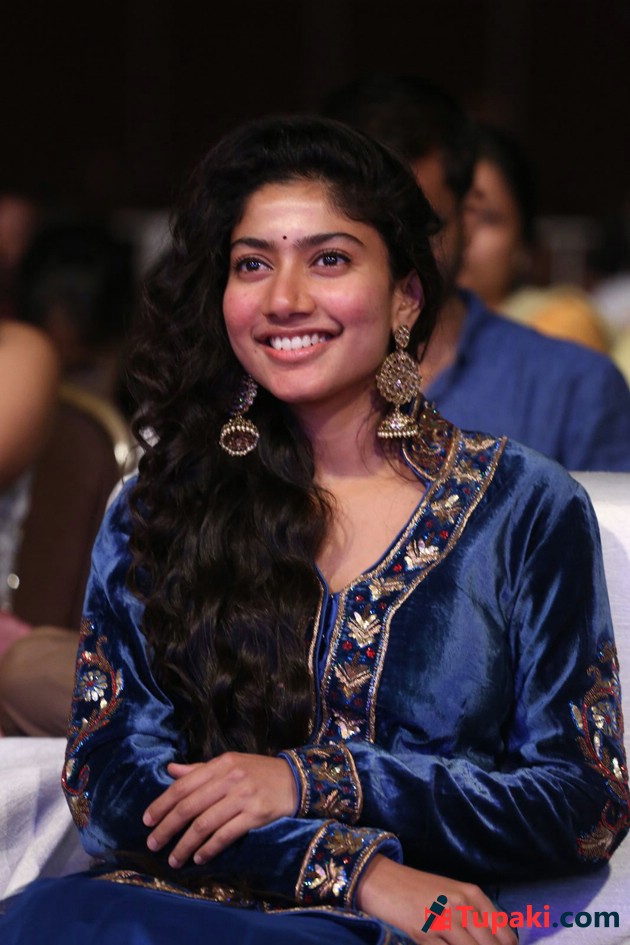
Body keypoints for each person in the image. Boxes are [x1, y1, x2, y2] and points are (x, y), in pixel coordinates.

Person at [1, 116, 627, 945]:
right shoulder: (163, 503)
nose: (284, 297)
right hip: (144, 910)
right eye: (252, 263)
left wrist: (316, 780)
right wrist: (355, 870)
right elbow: (110, 780)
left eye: (329, 259)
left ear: (405, 296)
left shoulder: (523, 508)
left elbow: (582, 802)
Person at [323, 75, 630, 471]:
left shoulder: (570, 389)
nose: (391, 252)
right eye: (351, 236)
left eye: (418, 224)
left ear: (468, 214)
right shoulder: (280, 376)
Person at [458, 124, 609, 353]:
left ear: (523, 241)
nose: (462, 233)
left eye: (488, 218)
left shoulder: (557, 324)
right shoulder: (408, 325)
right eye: (447, 214)